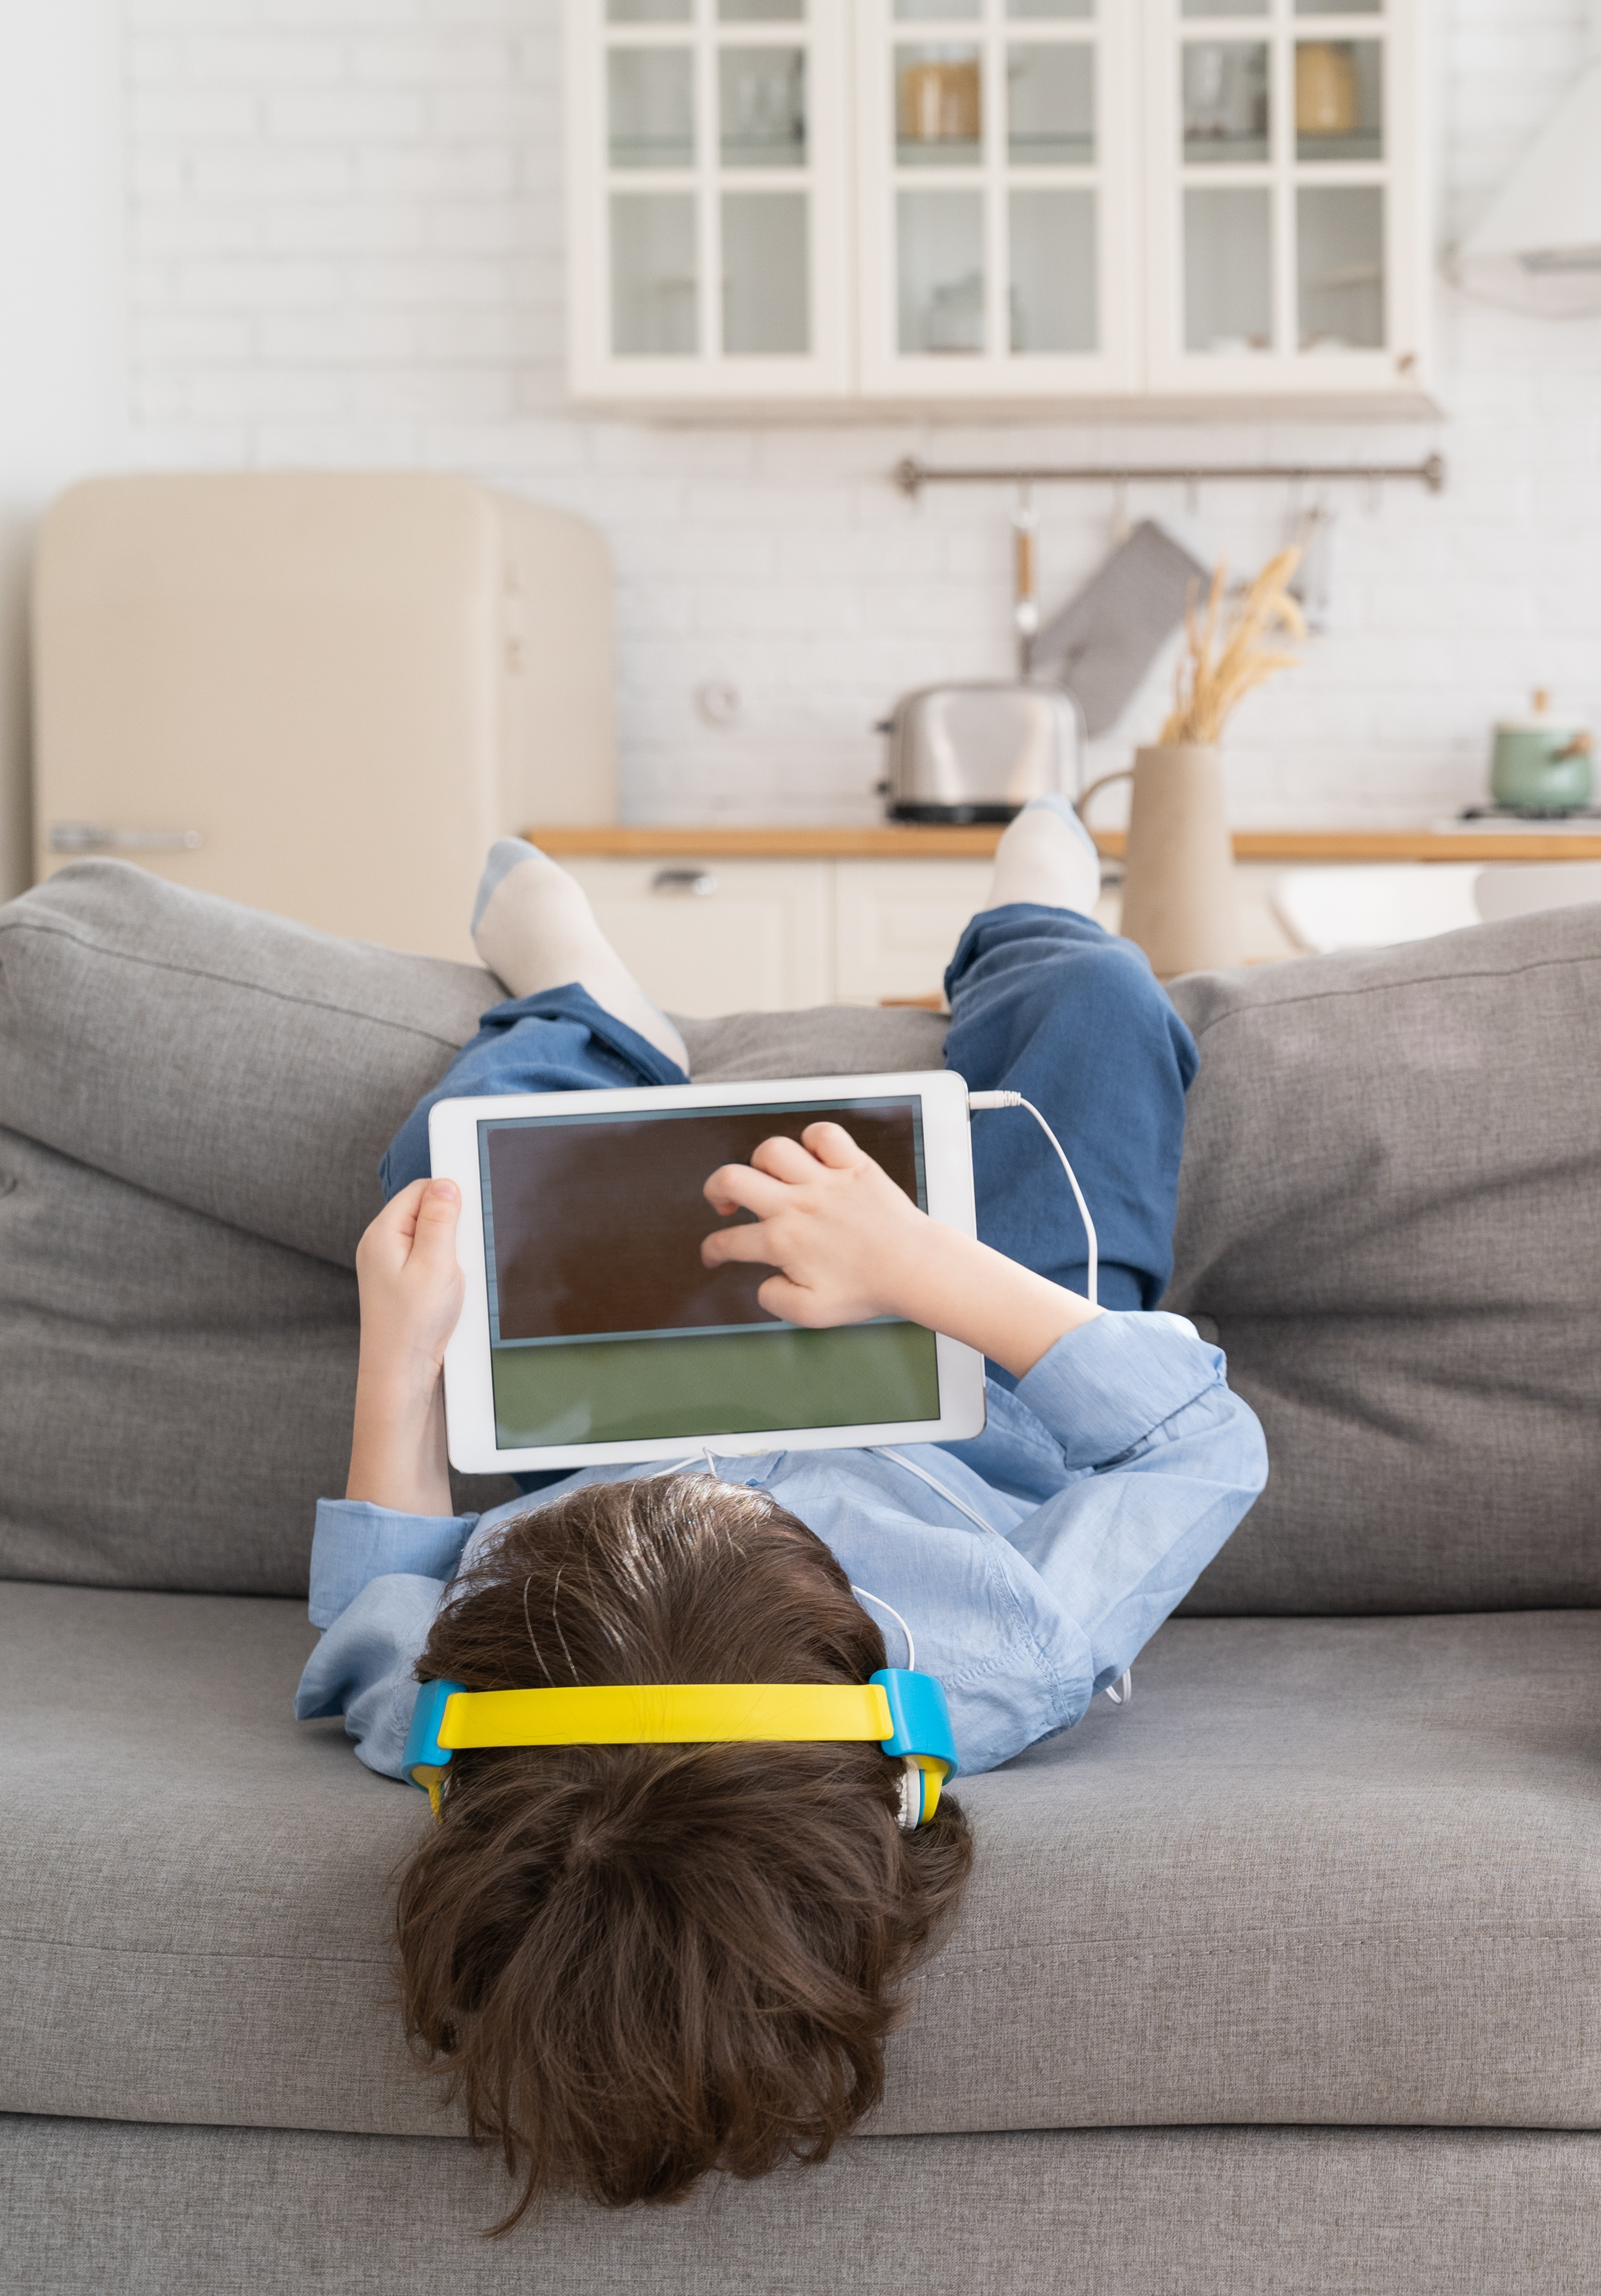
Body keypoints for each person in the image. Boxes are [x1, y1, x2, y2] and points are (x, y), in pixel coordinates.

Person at [297, 800, 1265, 2221]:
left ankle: (589, 1007)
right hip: (968, 1340)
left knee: (448, 1164)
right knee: (1099, 1012)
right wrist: (921, 1267)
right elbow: (1200, 1447)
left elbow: (375, 1609)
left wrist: (401, 1354)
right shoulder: (1002, 1660)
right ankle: (1037, 917)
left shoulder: (471, 1733)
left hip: (617, 1372)